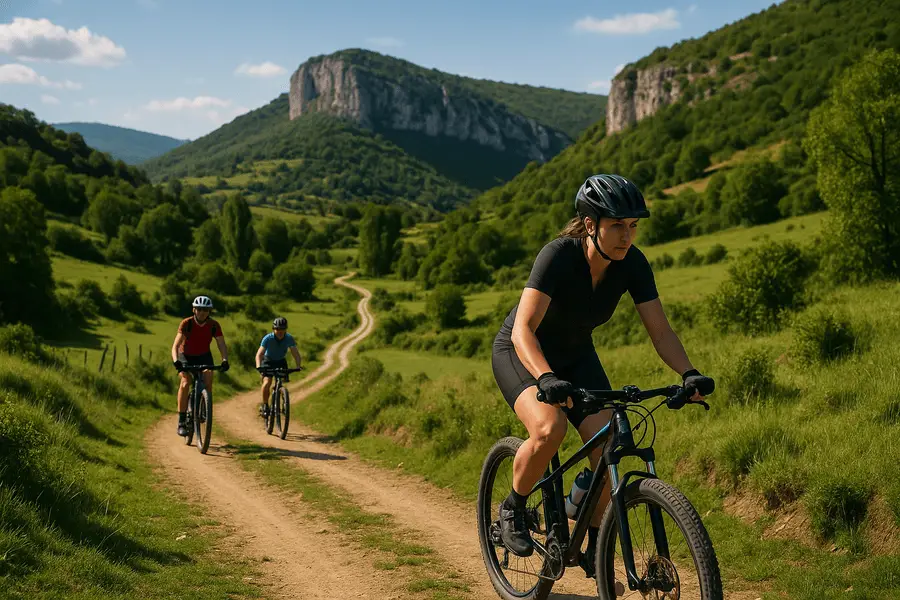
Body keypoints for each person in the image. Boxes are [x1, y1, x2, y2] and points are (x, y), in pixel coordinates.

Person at [490, 174, 713, 577]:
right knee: (549, 428)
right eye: (617, 226)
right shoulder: (558, 256)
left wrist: (689, 373)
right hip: (523, 353)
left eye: (632, 227)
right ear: (590, 225)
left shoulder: (633, 265)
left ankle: (593, 536)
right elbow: (524, 328)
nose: (627, 237)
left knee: (611, 441)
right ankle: (512, 507)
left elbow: (660, 331)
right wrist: (544, 378)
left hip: (576, 358)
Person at [171, 295, 229, 436]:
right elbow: (176, 345)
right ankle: (182, 421)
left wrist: (225, 359)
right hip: (185, 356)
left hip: (204, 355)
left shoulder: (214, 325)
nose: (202, 312)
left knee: (208, 378)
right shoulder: (187, 323)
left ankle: (203, 407)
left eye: (205, 310)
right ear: (194, 310)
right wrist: (176, 361)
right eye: (199, 309)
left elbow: (221, 343)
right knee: (185, 383)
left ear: (209, 311)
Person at [256, 316, 302, 417]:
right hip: (268, 361)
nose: (280, 332)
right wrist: (259, 366)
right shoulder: (268, 338)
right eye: (277, 329)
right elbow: (259, 354)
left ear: (286, 329)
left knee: (281, 381)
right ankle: (265, 405)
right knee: (267, 382)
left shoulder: (289, 338)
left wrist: (298, 365)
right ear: (273, 329)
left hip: (281, 361)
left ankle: (280, 393)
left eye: (282, 329)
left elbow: (295, 353)